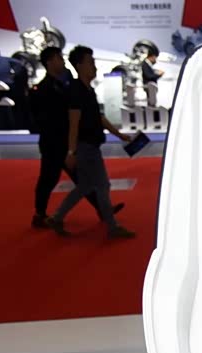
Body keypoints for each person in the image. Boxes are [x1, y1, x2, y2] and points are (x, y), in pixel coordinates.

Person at [47, 46, 135, 239]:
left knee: (85, 186)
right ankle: (112, 227)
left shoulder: (87, 90)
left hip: (89, 146)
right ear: (79, 65)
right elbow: (74, 123)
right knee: (102, 185)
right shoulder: (76, 91)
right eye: (90, 63)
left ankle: (57, 217)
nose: (94, 67)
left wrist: (119, 135)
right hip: (85, 147)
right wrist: (71, 152)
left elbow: (99, 117)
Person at [30, 47, 124, 228]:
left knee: (84, 181)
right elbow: (45, 119)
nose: (62, 61)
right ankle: (40, 214)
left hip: (71, 142)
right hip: (53, 145)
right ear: (49, 62)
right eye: (58, 58)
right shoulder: (43, 89)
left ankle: (100, 210)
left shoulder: (71, 85)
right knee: (49, 179)